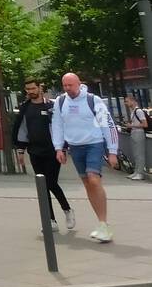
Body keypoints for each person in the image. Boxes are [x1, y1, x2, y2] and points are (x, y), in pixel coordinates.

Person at [50, 72, 120, 242]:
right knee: (88, 184)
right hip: (75, 147)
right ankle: (101, 224)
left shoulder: (93, 100)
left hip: (94, 144)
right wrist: (59, 148)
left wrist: (112, 151)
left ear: (78, 83)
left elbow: (107, 124)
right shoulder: (60, 102)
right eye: (65, 86)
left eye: (70, 85)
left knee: (94, 179)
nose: (68, 89)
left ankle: (104, 223)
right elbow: (57, 125)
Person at [12, 80, 74, 232]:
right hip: (34, 152)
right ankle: (50, 220)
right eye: (27, 89)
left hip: (53, 151)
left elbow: (63, 126)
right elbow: (22, 130)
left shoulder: (52, 106)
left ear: (40, 88)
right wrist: (20, 151)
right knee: (42, 186)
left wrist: (63, 148)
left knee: (51, 183)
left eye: (33, 88)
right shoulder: (25, 108)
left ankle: (67, 210)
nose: (30, 91)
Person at [121, 94, 149, 181]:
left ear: (133, 101)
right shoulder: (133, 111)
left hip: (138, 133)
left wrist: (131, 125)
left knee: (139, 154)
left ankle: (140, 173)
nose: (126, 103)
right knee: (136, 154)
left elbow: (145, 124)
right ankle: (136, 172)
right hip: (134, 133)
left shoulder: (138, 111)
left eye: (127, 101)